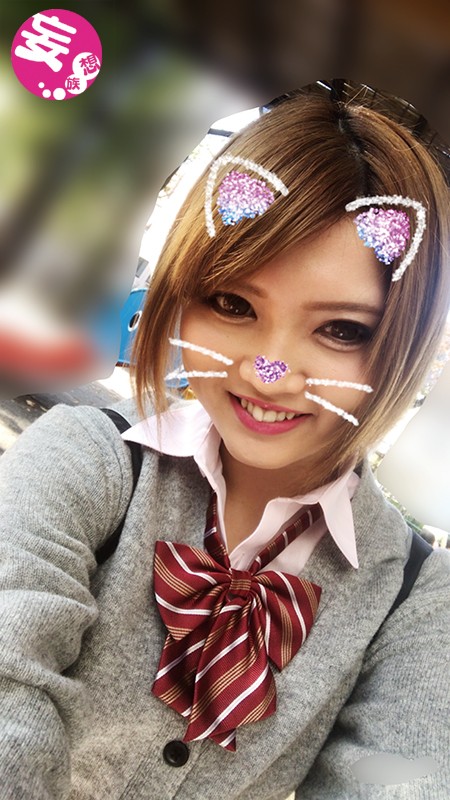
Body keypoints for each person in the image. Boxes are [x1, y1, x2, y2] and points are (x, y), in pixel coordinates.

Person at [1, 90, 449, 800]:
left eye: (342, 329)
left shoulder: (417, 597)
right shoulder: (83, 458)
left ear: (406, 343)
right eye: (234, 305)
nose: (270, 370)